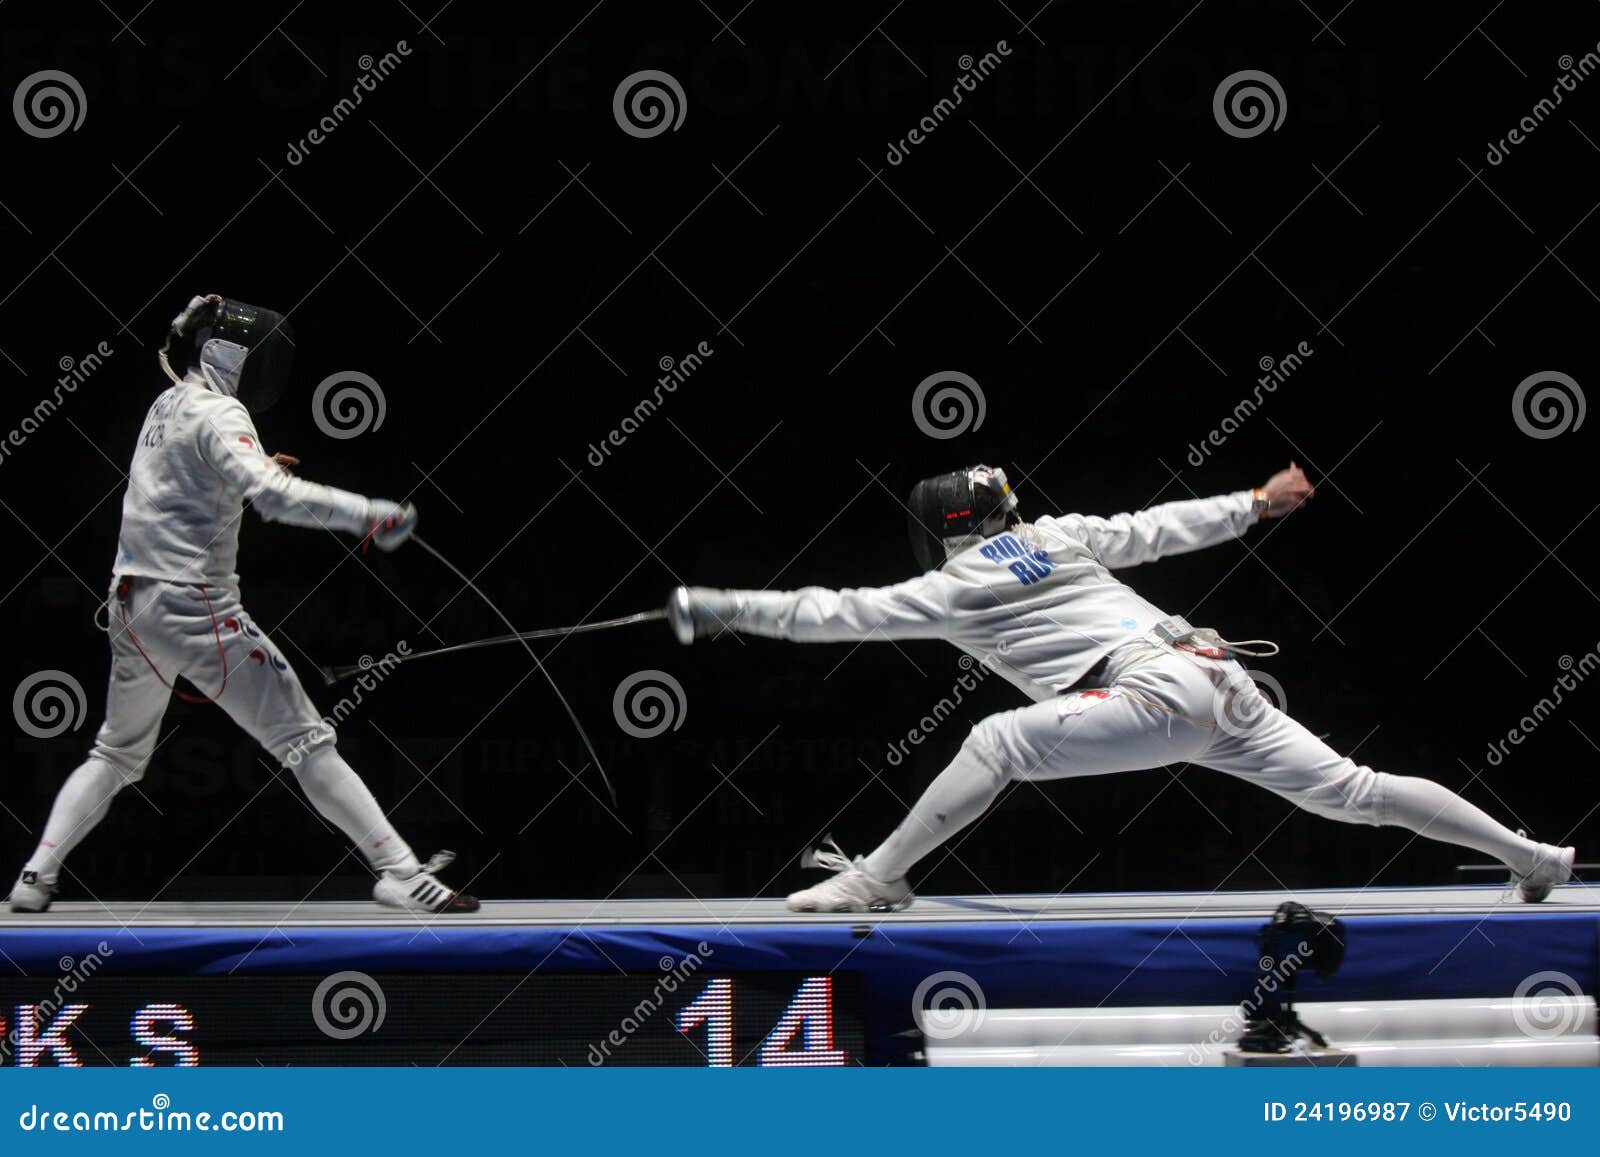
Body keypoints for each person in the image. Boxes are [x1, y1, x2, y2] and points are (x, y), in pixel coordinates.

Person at [667, 463, 1574, 912]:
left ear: (941, 528)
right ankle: (1533, 855)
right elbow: (1156, 527)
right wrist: (1254, 504)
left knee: (996, 741)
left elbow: (827, 613)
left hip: (1151, 692)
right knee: (1357, 790)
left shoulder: (949, 589)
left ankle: (878, 878)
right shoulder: (1059, 535)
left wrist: (721, 607)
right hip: (1216, 676)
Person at [8, 294, 477, 914]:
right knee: (306, 741)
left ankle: (35, 876)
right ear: (231, 356)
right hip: (194, 609)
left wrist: (246, 470)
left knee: (117, 753)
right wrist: (369, 513)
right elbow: (274, 498)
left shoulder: (167, 404)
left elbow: (182, 486)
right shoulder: (219, 409)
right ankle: (401, 872)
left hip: (131, 605)